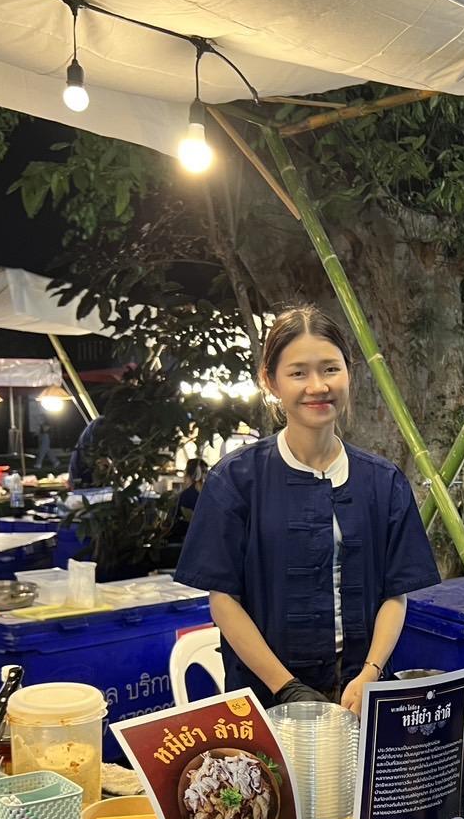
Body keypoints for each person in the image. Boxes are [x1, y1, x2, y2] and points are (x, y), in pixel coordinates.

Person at [177, 305, 439, 713]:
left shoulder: (383, 481)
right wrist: (287, 687)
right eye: (298, 373)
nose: (317, 386)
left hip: (361, 693)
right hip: (266, 697)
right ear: (271, 381)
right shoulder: (236, 480)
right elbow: (223, 600)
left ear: (349, 373)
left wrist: (370, 672)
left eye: (330, 369)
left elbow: (395, 593)